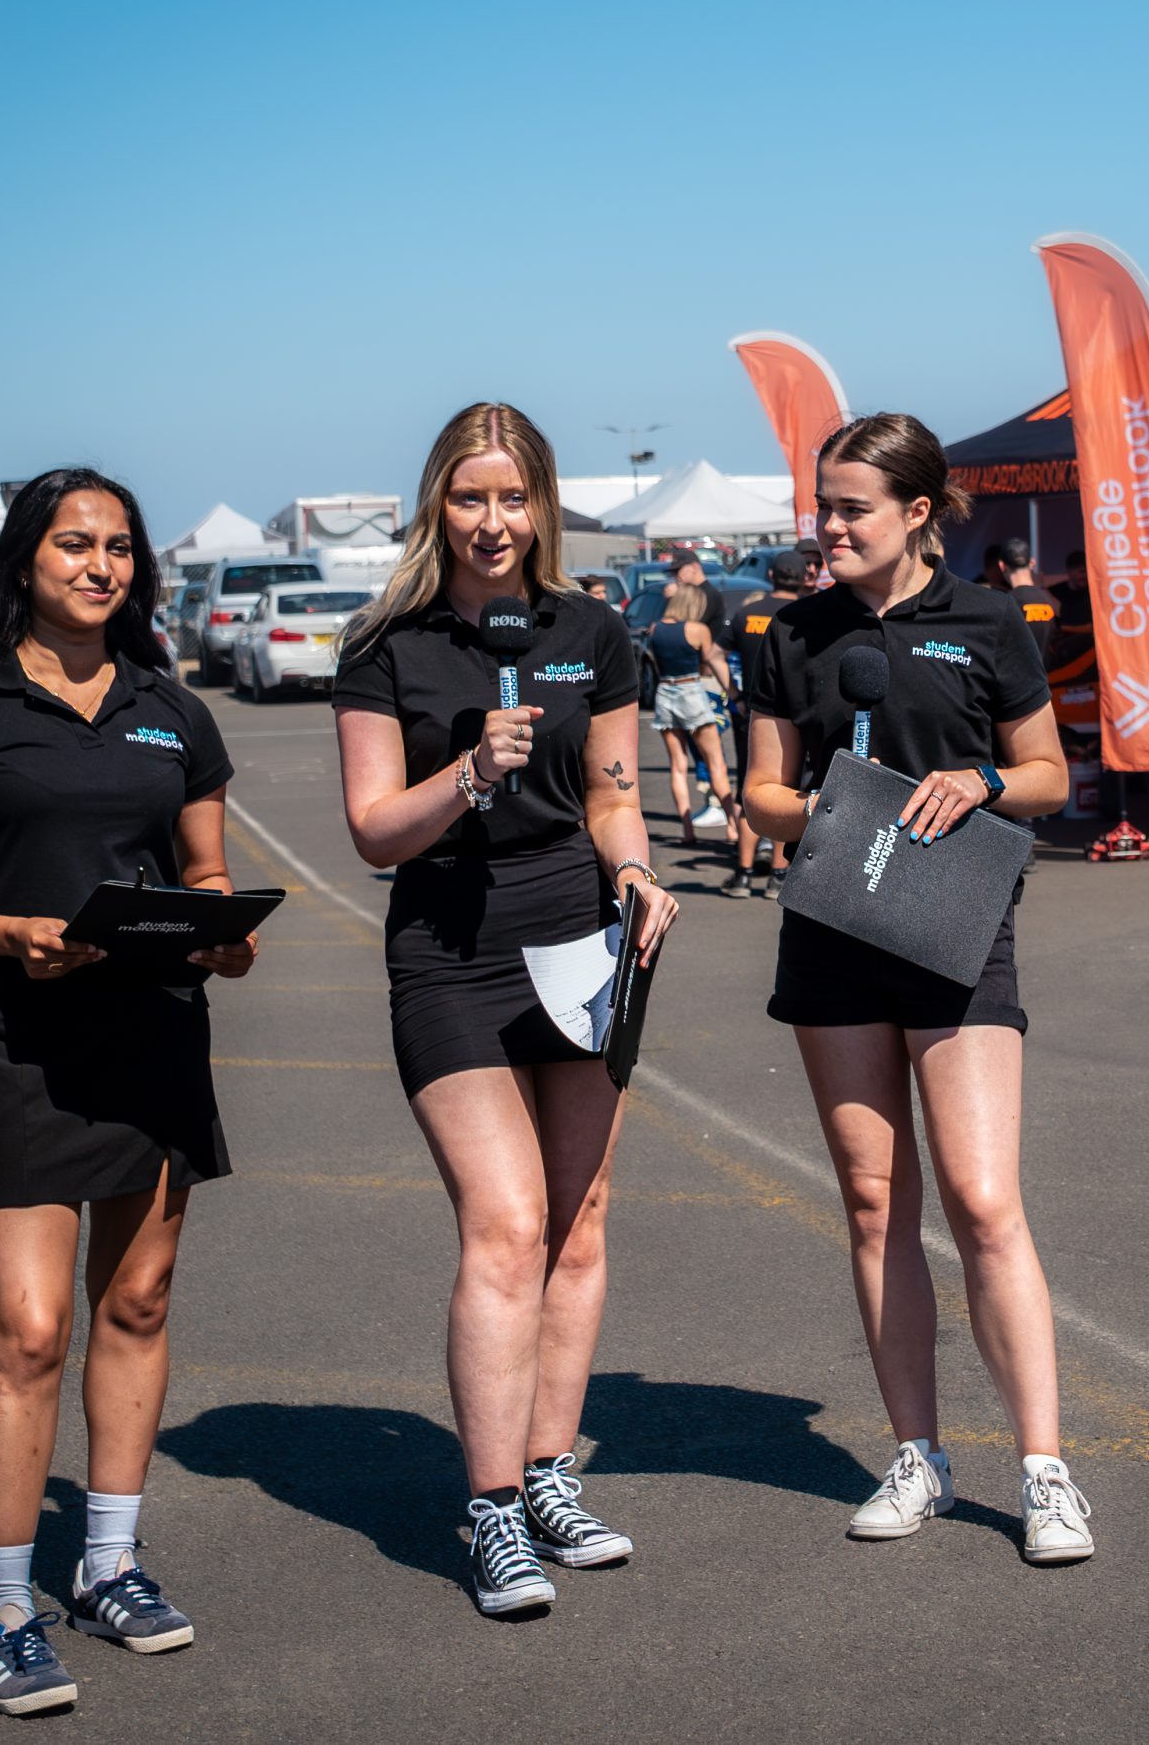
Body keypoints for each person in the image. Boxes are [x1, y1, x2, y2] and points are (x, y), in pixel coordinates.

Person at [0, 467, 259, 1715]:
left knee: (136, 1304)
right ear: (25, 564)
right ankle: (3, 1605)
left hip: (156, 1034)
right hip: (24, 1041)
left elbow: (206, 873)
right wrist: (11, 935)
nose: (101, 566)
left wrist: (223, 934)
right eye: (76, 544)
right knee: (31, 1329)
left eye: (120, 548)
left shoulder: (171, 709)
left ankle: (107, 1564)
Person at [332, 402, 679, 1618]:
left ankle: (548, 1477)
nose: (493, 522)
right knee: (506, 1223)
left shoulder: (594, 631)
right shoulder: (386, 644)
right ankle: (489, 1512)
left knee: (576, 1227)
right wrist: (471, 771)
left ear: (543, 507)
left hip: (580, 939)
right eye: (471, 497)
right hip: (449, 951)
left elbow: (614, 794)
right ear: (439, 502)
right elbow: (373, 830)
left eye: (514, 498)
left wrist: (636, 874)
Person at [739, 413, 1093, 1566]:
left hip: (956, 930)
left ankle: (1044, 1472)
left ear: (918, 512)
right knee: (873, 1203)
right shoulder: (791, 633)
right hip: (834, 931)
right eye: (824, 505)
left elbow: (1048, 776)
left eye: (853, 509)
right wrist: (836, 807)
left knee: (984, 1202)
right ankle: (918, 1457)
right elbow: (761, 797)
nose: (829, 527)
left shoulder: (989, 621)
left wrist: (979, 779)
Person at [716, 548, 814, 899]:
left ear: (771, 575)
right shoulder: (807, 616)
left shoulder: (747, 613)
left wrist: (735, 695)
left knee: (754, 790)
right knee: (789, 793)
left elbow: (713, 654)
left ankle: (743, 874)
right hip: (799, 717)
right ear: (805, 576)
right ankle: (778, 875)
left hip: (755, 714)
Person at [644, 588, 737, 853]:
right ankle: (732, 826)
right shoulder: (697, 630)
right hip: (691, 690)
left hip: (665, 692)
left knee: (678, 766)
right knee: (716, 763)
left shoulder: (655, 629)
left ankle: (687, 829)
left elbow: (656, 664)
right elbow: (708, 665)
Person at [994, 537, 1058, 663]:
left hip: (1015, 674)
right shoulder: (1049, 601)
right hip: (1046, 674)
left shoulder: (1006, 604)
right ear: (1032, 563)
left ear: (1002, 566)